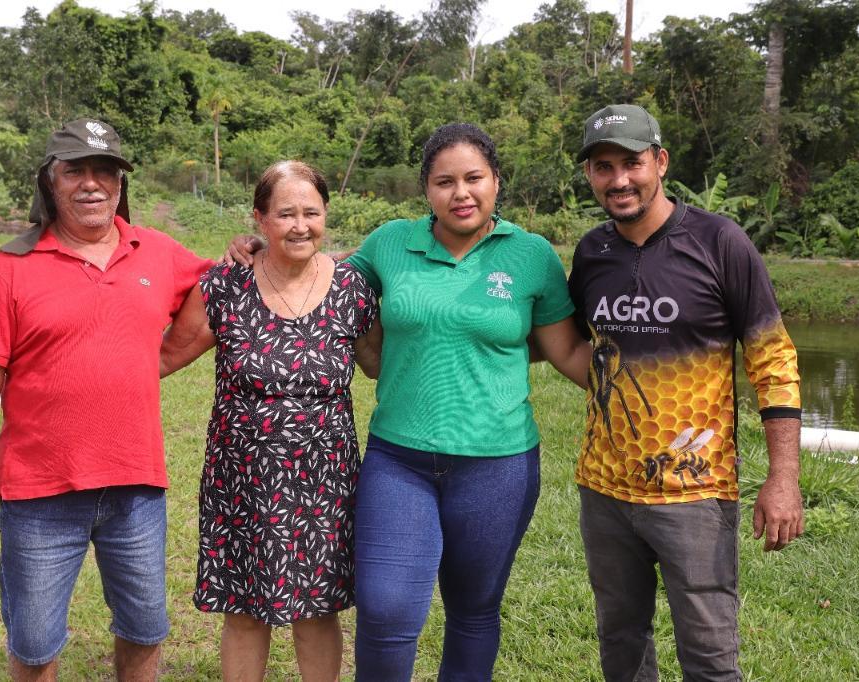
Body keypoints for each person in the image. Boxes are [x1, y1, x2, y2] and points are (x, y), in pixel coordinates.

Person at [227, 124, 592, 681]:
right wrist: (263, 246)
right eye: (445, 182)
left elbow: (565, 350)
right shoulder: (391, 243)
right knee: (386, 607)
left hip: (498, 463)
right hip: (400, 459)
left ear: (496, 182)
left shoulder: (532, 255)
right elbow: (321, 269)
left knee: (473, 610)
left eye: (474, 179)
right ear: (427, 189)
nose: (461, 193)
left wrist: (646, 386)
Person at [0, 118, 214, 681]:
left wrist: (249, 247)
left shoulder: (156, 252)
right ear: (51, 182)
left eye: (105, 171)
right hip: (40, 494)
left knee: (144, 629)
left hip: (135, 487)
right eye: (76, 171)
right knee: (36, 644)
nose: (92, 183)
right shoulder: (10, 267)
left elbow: (225, 289)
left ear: (120, 183)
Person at [569, 103, 804, 682]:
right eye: (604, 167)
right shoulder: (592, 253)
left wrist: (783, 478)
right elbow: (573, 344)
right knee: (620, 642)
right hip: (605, 488)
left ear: (661, 162)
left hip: (695, 493)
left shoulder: (719, 241)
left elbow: (773, 358)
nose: (619, 180)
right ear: (590, 175)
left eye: (632, 162)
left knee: (709, 654)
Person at [160, 160, 380, 682]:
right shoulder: (226, 284)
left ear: (326, 215)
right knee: (244, 610)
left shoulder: (352, 287)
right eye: (285, 214)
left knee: (318, 611)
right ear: (259, 220)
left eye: (311, 212)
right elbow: (165, 357)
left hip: (324, 480)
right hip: (243, 478)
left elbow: (382, 364)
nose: (299, 224)